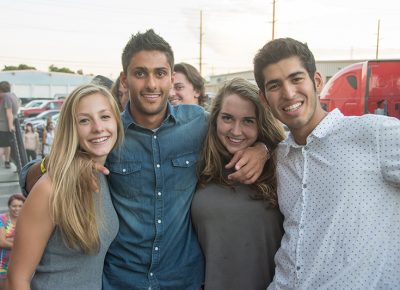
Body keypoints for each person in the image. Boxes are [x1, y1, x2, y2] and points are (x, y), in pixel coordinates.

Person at [21, 29, 268, 290]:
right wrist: (62, 165)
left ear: (171, 78)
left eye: (160, 73)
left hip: (183, 280)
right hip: (120, 281)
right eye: (140, 73)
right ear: (125, 79)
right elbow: (28, 179)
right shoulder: (107, 132)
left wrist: (262, 148)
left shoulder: (198, 123)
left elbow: (244, 133)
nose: (151, 84)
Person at [253, 37, 400, 289]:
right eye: (275, 85)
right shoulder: (279, 158)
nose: (288, 93)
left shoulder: (374, 134)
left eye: (296, 79)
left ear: (317, 81)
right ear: (265, 99)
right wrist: (262, 148)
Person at [7, 84, 124, 290]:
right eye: (84, 120)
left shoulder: (102, 175)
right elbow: (17, 279)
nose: (98, 127)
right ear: (71, 129)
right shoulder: (50, 188)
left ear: (117, 121)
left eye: (105, 116)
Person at [191, 78, 285, 290]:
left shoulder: (280, 165)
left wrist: (265, 149)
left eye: (248, 121)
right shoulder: (198, 163)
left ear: (261, 123)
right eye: (227, 118)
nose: (235, 130)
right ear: (215, 118)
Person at [0, 194, 25, 290]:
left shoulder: (25, 220)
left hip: (19, 262)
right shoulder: (2, 218)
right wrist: (18, 243)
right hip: (2, 262)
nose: (16, 209)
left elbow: (26, 242)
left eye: (20, 206)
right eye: (14, 206)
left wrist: (8, 239)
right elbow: (2, 242)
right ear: (9, 206)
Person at [0, 81, 17, 169]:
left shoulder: (6, 97)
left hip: (3, 126)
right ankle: (7, 161)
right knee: (7, 145)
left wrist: (10, 126)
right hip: (8, 126)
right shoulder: (13, 95)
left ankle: (6, 161)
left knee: (2, 147)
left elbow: (9, 112)